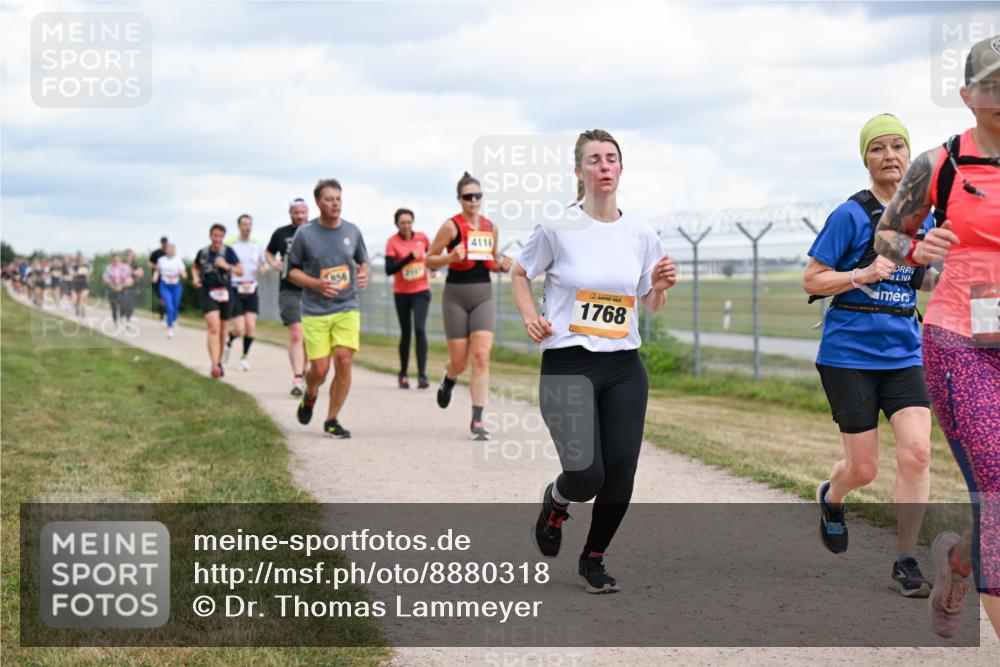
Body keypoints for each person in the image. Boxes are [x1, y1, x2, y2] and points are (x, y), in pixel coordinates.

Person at [512, 128, 676, 593]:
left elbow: (651, 303)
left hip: (624, 366)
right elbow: (519, 272)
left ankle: (594, 558)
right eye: (594, 160)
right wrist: (531, 317)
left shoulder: (641, 233)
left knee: (621, 471)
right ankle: (557, 503)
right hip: (567, 364)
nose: (604, 166)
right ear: (579, 171)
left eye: (611, 158)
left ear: (621, 169)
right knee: (587, 474)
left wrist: (661, 286)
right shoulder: (557, 227)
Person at [874, 36, 1000, 639]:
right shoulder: (939, 164)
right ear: (967, 95)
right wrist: (919, 247)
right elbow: (885, 240)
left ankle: (958, 561)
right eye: (992, 86)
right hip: (961, 342)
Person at [803, 113, 938, 597]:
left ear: (910, 154)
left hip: (905, 352)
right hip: (849, 355)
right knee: (864, 469)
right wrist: (862, 274)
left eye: (898, 146)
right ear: (866, 159)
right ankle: (832, 495)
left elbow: (925, 278)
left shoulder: (926, 214)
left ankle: (906, 559)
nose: (890, 156)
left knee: (918, 453)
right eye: (878, 148)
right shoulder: (851, 215)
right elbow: (813, 280)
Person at [425, 172, 513, 440]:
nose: (473, 201)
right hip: (455, 296)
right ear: (459, 199)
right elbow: (429, 259)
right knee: (460, 361)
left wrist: (501, 265)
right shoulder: (451, 227)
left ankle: (477, 420)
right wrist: (450, 257)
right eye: (468, 197)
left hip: (483, 295)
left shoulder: (491, 227)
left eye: (477, 196)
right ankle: (450, 377)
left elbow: (490, 261)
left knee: (481, 356)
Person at [288, 179, 369, 438]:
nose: (335, 203)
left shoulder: (353, 232)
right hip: (315, 310)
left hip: (347, 306)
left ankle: (332, 419)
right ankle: (311, 393)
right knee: (320, 370)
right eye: (329, 199)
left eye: (338, 198)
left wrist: (364, 274)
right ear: (318, 203)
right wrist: (316, 284)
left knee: (344, 361)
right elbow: (291, 272)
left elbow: (362, 262)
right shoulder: (305, 234)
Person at [267, 198, 311, 396]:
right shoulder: (281, 233)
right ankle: (298, 377)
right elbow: (269, 253)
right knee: (296, 333)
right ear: (290, 213)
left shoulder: (315, 231)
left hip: (312, 288)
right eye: (296, 212)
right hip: (289, 288)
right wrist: (273, 263)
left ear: (308, 212)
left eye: (302, 212)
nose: (299, 216)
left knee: (309, 336)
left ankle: (305, 370)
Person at [385, 207, 433, 389]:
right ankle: (403, 373)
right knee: (406, 333)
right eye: (402, 223)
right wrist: (408, 258)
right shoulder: (392, 242)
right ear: (397, 224)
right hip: (402, 293)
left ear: (413, 223)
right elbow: (389, 269)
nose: (406, 226)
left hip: (421, 290)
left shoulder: (422, 238)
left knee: (420, 329)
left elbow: (432, 255)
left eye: (409, 222)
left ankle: (422, 376)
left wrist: (434, 268)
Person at [192, 225, 243, 377]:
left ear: (223, 237)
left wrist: (226, 266)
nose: (217, 239)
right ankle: (214, 364)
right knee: (213, 328)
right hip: (208, 292)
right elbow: (195, 267)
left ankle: (219, 362)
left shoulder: (228, 252)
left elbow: (240, 271)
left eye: (220, 236)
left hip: (226, 293)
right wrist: (195, 278)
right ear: (210, 236)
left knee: (222, 330)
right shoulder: (203, 253)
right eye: (215, 235)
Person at [224, 214, 268, 371]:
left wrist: (264, 269)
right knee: (238, 328)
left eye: (250, 224)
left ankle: (244, 358)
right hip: (236, 288)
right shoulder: (230, 245)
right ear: (239, 226)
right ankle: (229, 341)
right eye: (244, 224)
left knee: (251, 326)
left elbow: (264, 265)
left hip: (251, 288)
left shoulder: (257, 245)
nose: (247, 227)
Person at [153, 243, 186, 338]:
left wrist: (183, 274)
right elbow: (157, 271)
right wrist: (155, 277)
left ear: (175, 251)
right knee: (169, 306)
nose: (170, 251)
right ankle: (170, 328)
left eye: (172, 249)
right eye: (169, 249)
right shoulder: (161, 260)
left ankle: (174, 319)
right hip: (164, 285)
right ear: (166, 250)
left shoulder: (178, 260)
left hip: (176, 285)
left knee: (175, 305)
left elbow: (183, 272)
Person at [102, 253, 132, 330]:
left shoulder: (125, 267)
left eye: (117, 260)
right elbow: (105, 278)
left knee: (123, 305)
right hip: (112, 288)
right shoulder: (109, 268)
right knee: (114, 307)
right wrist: (113, 285)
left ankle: (122, 321)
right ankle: (116, 324)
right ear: (112, 260)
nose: (116, 261)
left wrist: (122, 286)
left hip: (123, 288)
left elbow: (129, 278)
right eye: (114, 260)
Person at [121, 249, 144, 325]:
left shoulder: (135, 264)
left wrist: (131, 271)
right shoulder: (122, 263)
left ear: (133, 255)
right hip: (123, 287)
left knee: (130, 305)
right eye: (127, 254)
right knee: (124, 302)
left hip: (133, 287)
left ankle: (128, 320)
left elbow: (141, 273)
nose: (128, 256)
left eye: (130, 254)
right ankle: (123, 318)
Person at [149, 236, 168, 321]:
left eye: (165, 242)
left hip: (168, 279)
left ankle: (166, 314)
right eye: (163, 242)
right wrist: (156, 267)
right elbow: (149, 264)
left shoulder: (169, 253)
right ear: (161, 243)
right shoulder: (156, 253)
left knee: (166, 298)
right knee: (161, 298)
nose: (164, 244)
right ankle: (162, 315)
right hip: (158, 278)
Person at [70, 252, 91, 317]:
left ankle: (83, 311)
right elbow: (72, 274)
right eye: (79, 260)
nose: (80, 261)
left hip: (84, 284)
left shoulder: (86, 266)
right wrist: (80, 273)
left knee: (83, 297)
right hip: (76, 284)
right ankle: (77, 309)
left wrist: (79, 273)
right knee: (77, 299)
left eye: (81, 259)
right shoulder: (74, 266)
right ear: (77, 260)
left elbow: (88, 274)